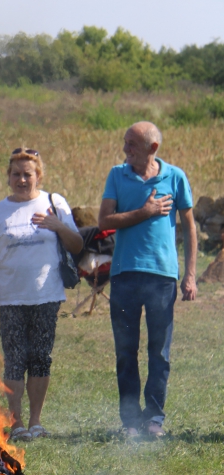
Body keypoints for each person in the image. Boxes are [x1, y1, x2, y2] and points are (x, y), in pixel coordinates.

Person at [98, 121, 197, 438]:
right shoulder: (117, 175)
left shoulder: (175, 177)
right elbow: (104, 220)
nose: (125, 148)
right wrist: (145, 211)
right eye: (125, 141)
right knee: (126, 352)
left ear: (152, 148)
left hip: (162, 277)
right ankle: (130, 422)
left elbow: (189, 227)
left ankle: (154, 419)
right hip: (124, 275)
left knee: (160, 353)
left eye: (132, 143)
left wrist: (190, 275)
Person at [0, 148, 83, 442]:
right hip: (10, 298)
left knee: (40, 358)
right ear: (8, 177)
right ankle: (17, 422)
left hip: (46, 296)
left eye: (28, 174)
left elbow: (76, 245)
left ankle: (36, 421)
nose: (22, 180)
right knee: (14, 360)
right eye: (16, 174)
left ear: (39, 176)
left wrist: (58, 225)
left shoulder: (54, 204)